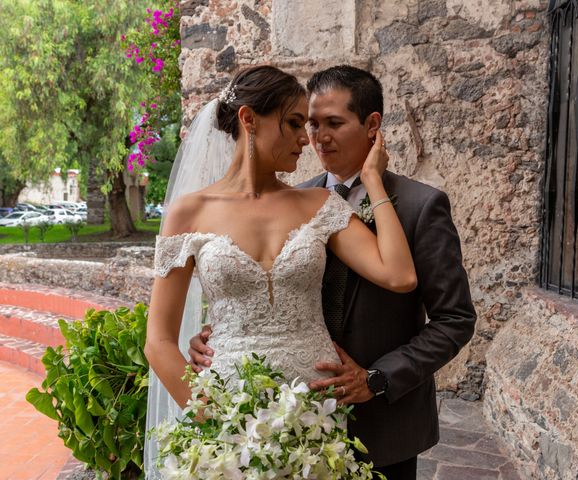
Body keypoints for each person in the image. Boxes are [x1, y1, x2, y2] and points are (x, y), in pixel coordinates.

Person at [189, 65, 477, 480]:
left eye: (334, 123)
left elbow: (455, 320)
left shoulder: (421, 206)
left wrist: (376, 379)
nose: (317, 137)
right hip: (290, 422)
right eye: (309, 124)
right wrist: (218, 336)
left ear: (372, 125)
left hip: (384, 427)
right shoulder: (294, 199)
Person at [143, 65, 417, 476]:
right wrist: (217, 422)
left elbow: (399, 275)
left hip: (314, 415)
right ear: (248, 119)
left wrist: (373, 181)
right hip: (227, 415)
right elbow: (159, 340)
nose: (304, 140)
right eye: (292, 124)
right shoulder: (189, 212)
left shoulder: (318, 205)